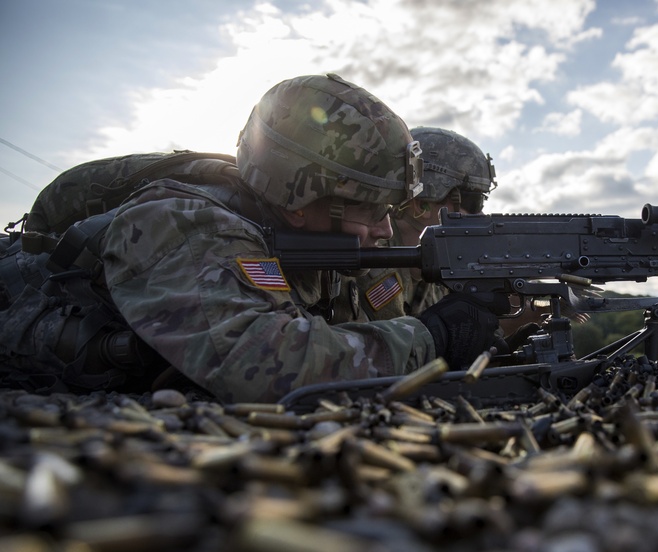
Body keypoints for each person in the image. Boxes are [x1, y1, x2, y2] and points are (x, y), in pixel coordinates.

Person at [1, 73, 503, 403]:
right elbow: (270, 369)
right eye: (370, 208)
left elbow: (355, 327)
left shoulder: (317, 244)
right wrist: (433, 337)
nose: (385, 228)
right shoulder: (180, 223)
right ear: (303, 200)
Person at [331, 126, 496, 322]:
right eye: (472, 202)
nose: (480, 214)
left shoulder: (436, 269)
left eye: (482, 201)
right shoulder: (366, 263)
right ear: (421, 204)